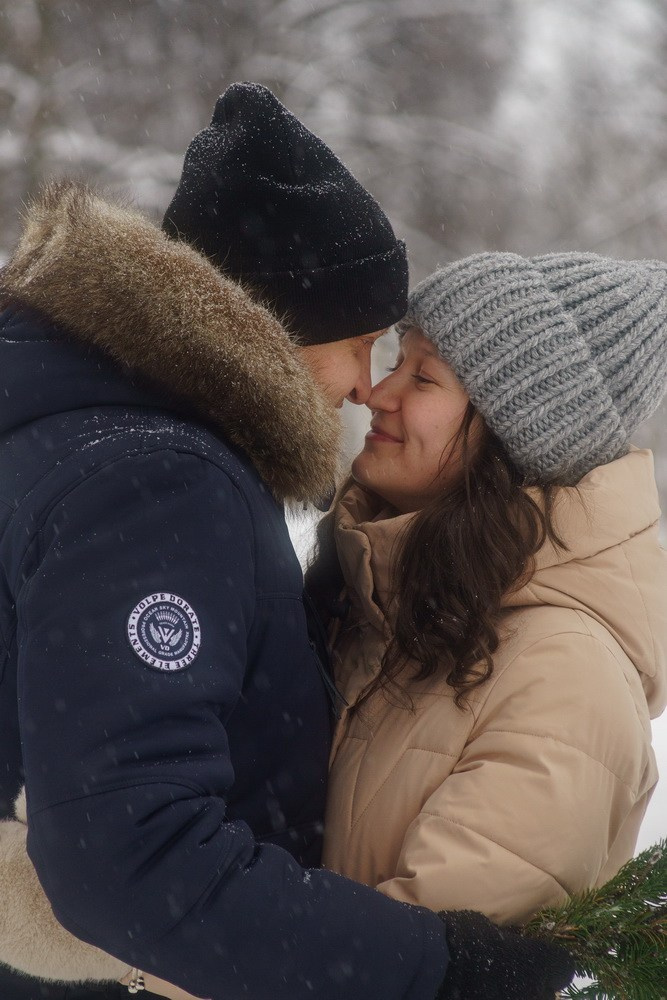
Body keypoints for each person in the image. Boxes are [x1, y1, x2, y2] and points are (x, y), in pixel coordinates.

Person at [0, 87, 574, 1000]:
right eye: (357, 344)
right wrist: (437, 973)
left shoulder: (75, 423)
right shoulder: (154, 480)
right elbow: (133, 852)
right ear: (271, 329)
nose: (360, 386)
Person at [314, 252, 667, 926]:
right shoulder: (392, 599)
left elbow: (408, 962)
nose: (378, 395)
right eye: (396, 361)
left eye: (424, 378)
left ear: (509, 440)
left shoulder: (564, 680)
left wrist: (147, 941)